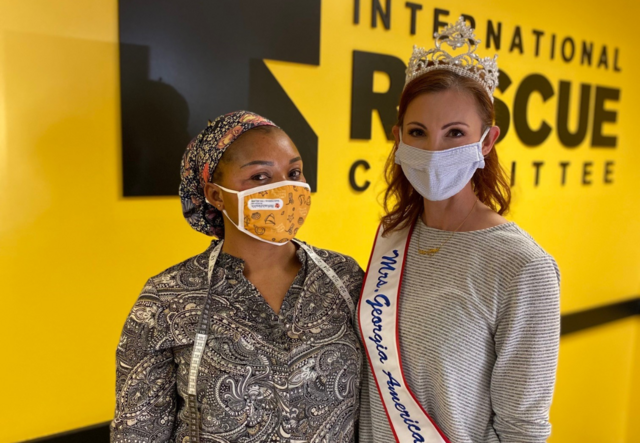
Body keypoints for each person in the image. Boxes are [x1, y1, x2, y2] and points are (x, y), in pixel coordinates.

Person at [357, 18, 560, 443]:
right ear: (398, 140)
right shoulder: (394, 234)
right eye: (418, 133)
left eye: (455, 134)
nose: (434, 151)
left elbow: (522, 428)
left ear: (486, 142)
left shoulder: (523, 267)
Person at [111, 111, 363, 443]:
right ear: (215, 195)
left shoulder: (345, 279)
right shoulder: (167, 299)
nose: (285, 188)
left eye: (294, 172)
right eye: (260, 176)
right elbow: (137, 431)